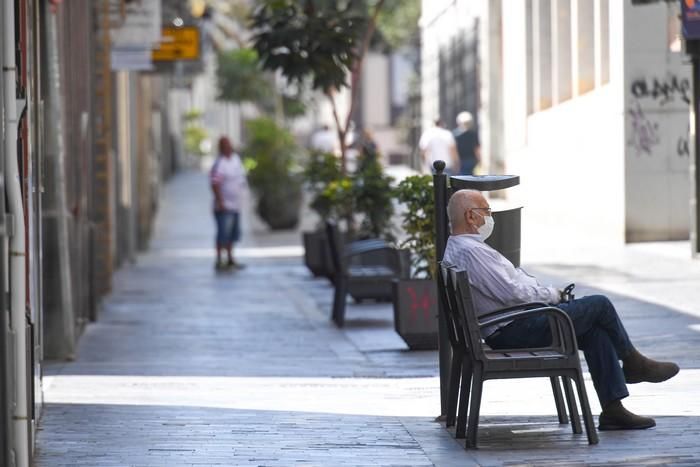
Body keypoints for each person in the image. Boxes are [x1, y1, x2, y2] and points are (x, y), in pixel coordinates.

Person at [442, 189, 680, 431]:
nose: (490, 217)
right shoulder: (471, 252)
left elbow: (510, 287)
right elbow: (513, 293)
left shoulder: (462, 247)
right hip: (513, 329)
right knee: (600, 304)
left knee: (595, 332)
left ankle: (613, 410)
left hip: (512, 322)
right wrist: (552, 295)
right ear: (471, 216)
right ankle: (634, 362)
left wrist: (545, 293)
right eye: (486, 211)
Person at [210, 136, 248, 271]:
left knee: (232, 234)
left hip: (236, 205)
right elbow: (215, 183)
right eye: (225, 145)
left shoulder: (236, 160)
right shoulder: (220, 164)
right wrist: (220, 202)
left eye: (229, 144)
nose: (228, 147)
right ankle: (220, 260)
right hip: (224, 206)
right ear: (221, 148)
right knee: (223, 234)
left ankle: (231, 259)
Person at [453, 111, 481, 175]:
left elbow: (476, 148)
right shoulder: (456, 134)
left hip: (468, 160)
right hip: (464, 160)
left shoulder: (455, 134)